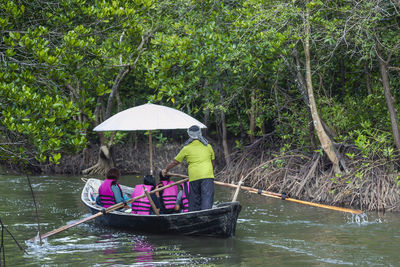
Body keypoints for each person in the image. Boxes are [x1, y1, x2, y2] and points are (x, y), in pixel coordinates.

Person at [162, 125, 215, 211]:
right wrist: (209, 172)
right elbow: (213, 163)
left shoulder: (186, 148)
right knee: (207, 199)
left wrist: (166, 169)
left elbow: (175, 162)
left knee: (195, 199)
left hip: (194, 177)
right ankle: (206, 215)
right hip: (207, 176)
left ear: (189, 135)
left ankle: (195, 216)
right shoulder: (208, 146)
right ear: (200, 133)